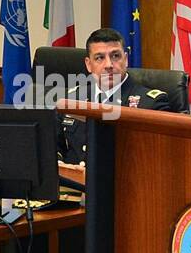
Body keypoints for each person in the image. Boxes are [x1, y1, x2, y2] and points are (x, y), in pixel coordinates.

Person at [58, 27, 173, 165]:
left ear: (126, 59)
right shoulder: (71, 100)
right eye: (100, 58)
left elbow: (160, 158)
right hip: (73, 185)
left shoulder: (151, 104)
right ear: (89, 65)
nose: (109, 65)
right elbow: (52, 147)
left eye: (115, 56)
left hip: (125, 184)